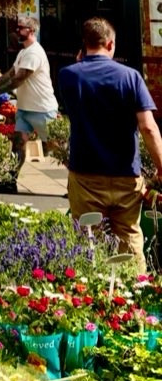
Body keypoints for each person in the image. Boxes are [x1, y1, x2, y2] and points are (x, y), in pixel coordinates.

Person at [59, 17, 162, 270]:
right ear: (111, 43)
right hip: (125, 174)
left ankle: (91, 294)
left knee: (89, 239)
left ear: (84, 46)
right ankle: (135, 293)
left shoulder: (68, 75)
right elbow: (148, 127)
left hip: (85, 174)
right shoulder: (131, 77)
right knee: (129, 238)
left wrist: (79, 63)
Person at [0, 14, 57, 193]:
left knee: (55, 147)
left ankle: (75, 183)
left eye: (21, 28)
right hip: (25, 108)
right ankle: (11, 180)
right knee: (18, 143)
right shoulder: (24, 52)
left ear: (31, 31)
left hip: (42, 108)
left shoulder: (34, 53)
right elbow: (10, 73)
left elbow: (19, 79)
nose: (17, 31)